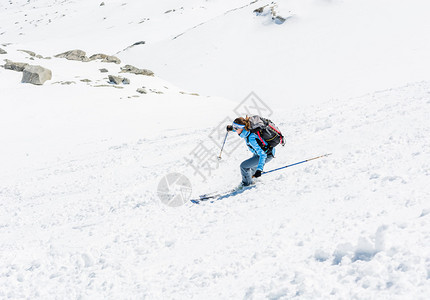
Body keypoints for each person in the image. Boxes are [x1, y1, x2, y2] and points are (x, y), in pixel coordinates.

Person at [227, 117, 275, 188]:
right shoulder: (247, 130)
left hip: (266, 155)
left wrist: (259, 169)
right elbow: (240, 129)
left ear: (242, 128)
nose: (235, 130)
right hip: (260, 152)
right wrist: (232, 129)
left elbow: (263, 155)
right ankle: (253, 180)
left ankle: (246, 184)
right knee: (252, 170)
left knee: (244, 166)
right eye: (234, 127)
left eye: (236, 128)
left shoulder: (251, 138)